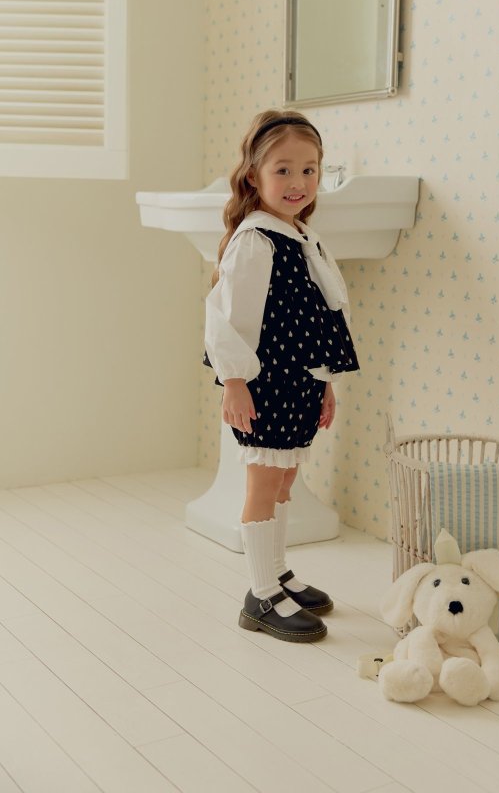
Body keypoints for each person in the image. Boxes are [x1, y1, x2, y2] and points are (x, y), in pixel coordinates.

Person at [204, 109, 359, 642]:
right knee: (264, 482)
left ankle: (277, 572)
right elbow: (229, 318)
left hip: (300, 380)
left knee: (286, 478)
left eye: (309, 170)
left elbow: (317, 316)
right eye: (284, 170)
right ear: (254, 175)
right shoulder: (256, 240)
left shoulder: (298, 234)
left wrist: (326, 381)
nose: (299, 182)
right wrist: (234, 382)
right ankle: (261, 596)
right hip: (267, 383)